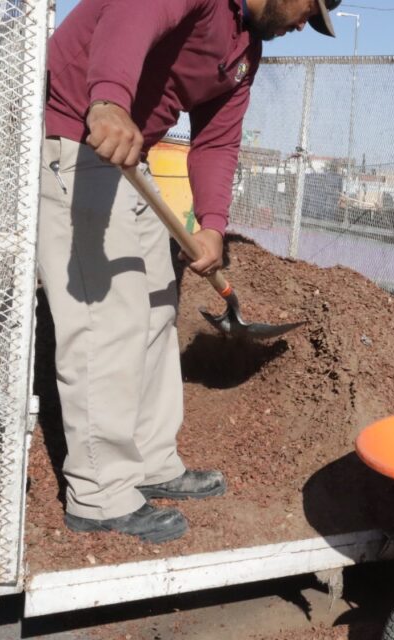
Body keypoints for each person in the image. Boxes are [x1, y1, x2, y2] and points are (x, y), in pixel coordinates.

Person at [40, 0, 342, 544]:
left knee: (157, 307)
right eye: (308, 10)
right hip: (73, 134)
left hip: (131, 156)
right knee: (106, 320)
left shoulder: (245, 48)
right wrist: (107, 100)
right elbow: (129, 16)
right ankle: (99, 490)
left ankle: (151, 460)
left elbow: (218, 139)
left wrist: (212, 225)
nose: (304, 25)